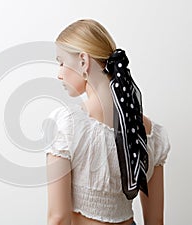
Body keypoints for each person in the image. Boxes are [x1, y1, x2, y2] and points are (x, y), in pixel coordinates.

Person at [44, 19, 171, 225]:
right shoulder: (150, 133)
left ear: (83, 61)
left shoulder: (67, 124)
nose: (59, 74)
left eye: (61, 62)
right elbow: (156, 220)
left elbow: (58, 218)